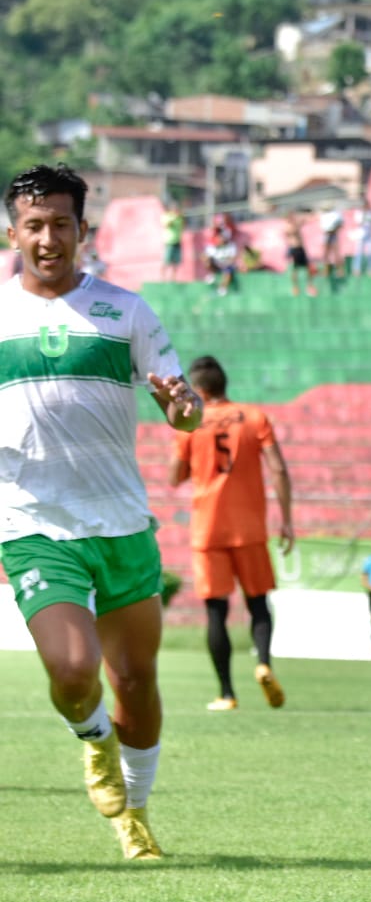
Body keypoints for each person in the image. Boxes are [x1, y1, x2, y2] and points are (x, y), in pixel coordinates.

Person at [2, 162, 204, 860]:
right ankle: (95, 744)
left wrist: (181, 407)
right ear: (13, 233)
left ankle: (136, 814)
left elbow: (185, 411)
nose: (48, 237)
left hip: (119, 522)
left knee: (136, 680)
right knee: (73, 669)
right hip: (34, 525)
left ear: (82, 231)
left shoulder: (127, 311)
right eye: (34, 225)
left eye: (61, 224)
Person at [172, 355, 294, 712]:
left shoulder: (192, 423)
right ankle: (264, 664)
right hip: (250, 525)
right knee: (258, 603)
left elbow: (174, 475)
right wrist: (286, 519)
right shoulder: (255, 417)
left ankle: (226, 693)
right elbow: (279, 469)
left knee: (216, 611)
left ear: (199, 390)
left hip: (209, 528)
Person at [284, 210, 316, 297]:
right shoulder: (288, 226)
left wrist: (305, 219)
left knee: (308, 268)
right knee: (295, 269)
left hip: (301, 249)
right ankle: (295, 288)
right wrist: (298, 224)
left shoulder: (295, 225)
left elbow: (303, 221)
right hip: (295, 250)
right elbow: (291, 231)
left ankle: (309, 286)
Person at [160, 199, 184, 281]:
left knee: (175, 262)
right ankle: (162, 278)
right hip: (169, 242)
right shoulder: (167, 216)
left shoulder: (179, 218)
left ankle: (173, 279)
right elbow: (167, 225)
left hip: (177, 242)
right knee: (166, 261)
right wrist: (174, 217)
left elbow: (182, 227)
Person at [351, 201, 371, 278]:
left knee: (370, 253)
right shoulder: (359, 213)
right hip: (361, 235)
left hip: (369, 234)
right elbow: (359, 222)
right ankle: (356, 269)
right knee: (359, 252)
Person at [320, 204, 345, 279]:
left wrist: (335, 228)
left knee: (336, 253)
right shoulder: (324, 215)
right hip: (327, 234)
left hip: (333, 234)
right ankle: (327, 269)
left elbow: (340, 224)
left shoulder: (335, 215)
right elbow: (323, 226)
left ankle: (339, 270)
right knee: (326, 254)